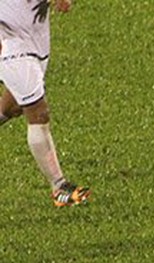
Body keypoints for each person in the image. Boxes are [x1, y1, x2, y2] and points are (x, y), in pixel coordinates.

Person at [0, 0, 90, 206]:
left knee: (12, 106)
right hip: (8, 40)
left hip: (34, 36)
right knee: (38, 112)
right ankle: (59, 186)